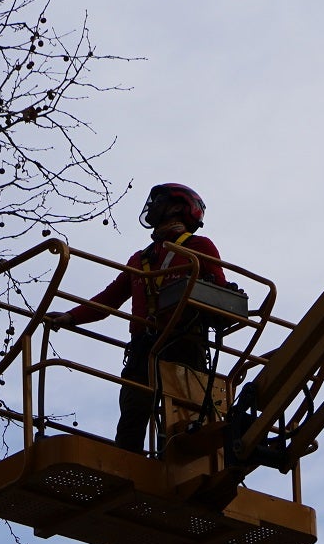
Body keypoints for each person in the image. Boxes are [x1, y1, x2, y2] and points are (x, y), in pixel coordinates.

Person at [53, 182, 227, 452]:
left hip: (185, 346)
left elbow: (219, 290)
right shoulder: (141, 259)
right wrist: (71, 316)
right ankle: (127, 461)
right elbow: (110, 298)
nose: (153, 206)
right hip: (144, 349)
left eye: (160, 201)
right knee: (133, 412)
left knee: (186, 418)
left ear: (179, 208)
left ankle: (185, 461)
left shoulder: (199, 246)